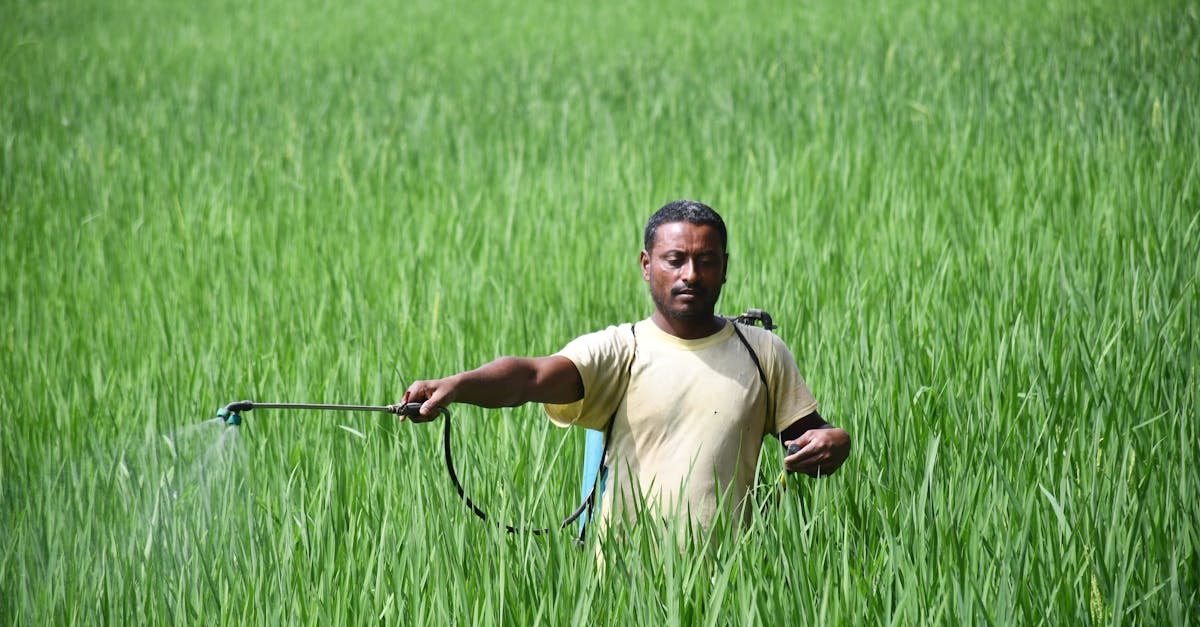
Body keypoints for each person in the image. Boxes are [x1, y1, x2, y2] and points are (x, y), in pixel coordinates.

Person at [401, 200, 851, 539]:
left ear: (725, 269)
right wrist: (457, 386)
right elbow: (529, 377)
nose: (690, 274)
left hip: (732, 587)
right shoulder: (621, 350)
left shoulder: (762, 352)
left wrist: (836, 442)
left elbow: (811, 437)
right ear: (646, 264)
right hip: (627, 584)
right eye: (675, 259)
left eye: (706, 260)